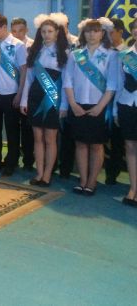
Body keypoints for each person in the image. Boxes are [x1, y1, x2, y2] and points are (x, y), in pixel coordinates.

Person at [62, 18, 117, 196]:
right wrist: (72, 104)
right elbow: (68, 80)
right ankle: (82, 180)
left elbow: (112, 85)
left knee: (96, 145)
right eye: (88, 31)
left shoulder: (111, 54)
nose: (91, 34)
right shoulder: (75, 54)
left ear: (102, 33)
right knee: (80, 144)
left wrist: (100, 107)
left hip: (99, 107)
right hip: (78, 105)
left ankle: (92, 182)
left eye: (95, 31)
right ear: (83, 34)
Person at [20, 15, 68, 186]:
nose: (46, 34)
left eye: (50, 31)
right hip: (35, 97)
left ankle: (47, 174)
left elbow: (66, 82)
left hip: (53, 99)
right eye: (43, 31)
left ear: (57, 33)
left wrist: (64, 105)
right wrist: (24, 101)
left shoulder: (64, 53)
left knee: (50, 138)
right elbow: (29, 79)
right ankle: (39, 172)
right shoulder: (34, 51)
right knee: (37, 137)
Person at [0, 14, 27, 177]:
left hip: (11, 94)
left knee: (12, 131)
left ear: (4, 27)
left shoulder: (18, 45)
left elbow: (24, 71)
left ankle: (11, 162)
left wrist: (20, 94)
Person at [50, 12, 77, 178]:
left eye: (63, 27)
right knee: (52, 132)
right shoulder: (50, 45)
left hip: (70, 93)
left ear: (68, 26)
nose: (61, 30)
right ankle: (51, 165)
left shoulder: (77, 42)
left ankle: (66, 167)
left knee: (67, 133)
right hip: (51, 92)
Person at [115, 18, 137, 207]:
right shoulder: (125, 55)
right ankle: (133, 187)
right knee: (130, 146)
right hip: (127, 104)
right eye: (135, 28)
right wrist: (115, 110)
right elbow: (119, 83)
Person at [105, 17, 127, 185]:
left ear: (121, 32)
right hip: (101, 101)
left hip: (122, 100)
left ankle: (113, 173)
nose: (109, 36)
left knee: (119, 141)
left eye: (111, 33)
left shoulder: (127, 53)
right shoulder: (101, 52)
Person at [11, 17, 35, 170]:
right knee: (13, 128)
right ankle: (12, 159)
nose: (17, 34)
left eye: (20, 30)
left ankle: (28, 161)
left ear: (26, 30)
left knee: (28, 130)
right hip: (12, 92)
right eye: (14, 31)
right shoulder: (9, 45)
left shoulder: (34, 46)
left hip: (29, 93)